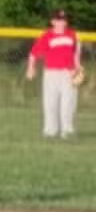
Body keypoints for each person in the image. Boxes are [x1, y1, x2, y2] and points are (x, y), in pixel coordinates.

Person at [25, 9, 82, 138]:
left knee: (68, 102)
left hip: (69, 73)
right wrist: (30, 67)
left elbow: (76, 54)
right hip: (51, 73)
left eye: (64, 20)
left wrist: (78, 67)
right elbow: (33, 53)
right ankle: (50, 130)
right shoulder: (47, 36)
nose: (62, 22)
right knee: (50, 102)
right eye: (58, 20)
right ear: (52, 21)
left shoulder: (73, 35)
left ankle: (67, 130)